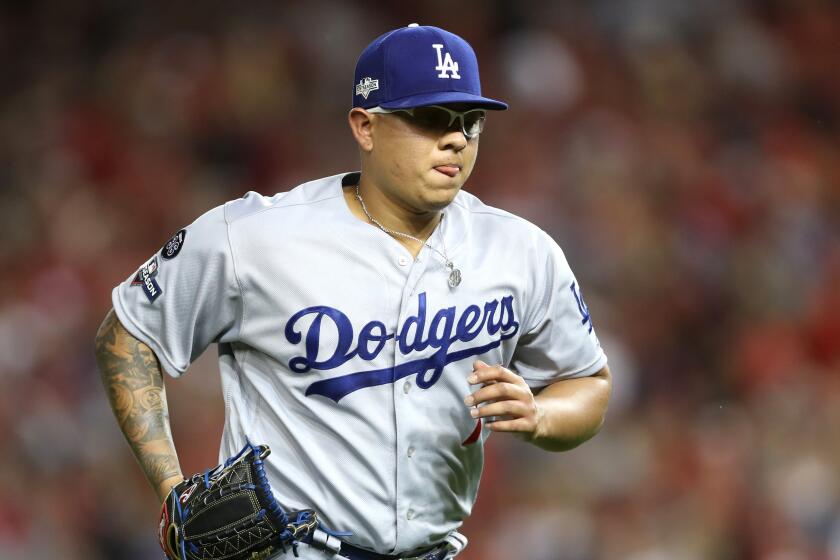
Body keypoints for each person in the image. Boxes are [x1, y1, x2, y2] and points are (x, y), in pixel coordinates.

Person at [94, 23, 612, 560]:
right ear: (366, 126)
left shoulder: (521, 251)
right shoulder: (255, 237)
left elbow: (589, 382)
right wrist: (171, 488)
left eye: (470, 122)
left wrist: (541, 415)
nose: (456, 138)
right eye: (430, 117)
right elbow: (129, 334)